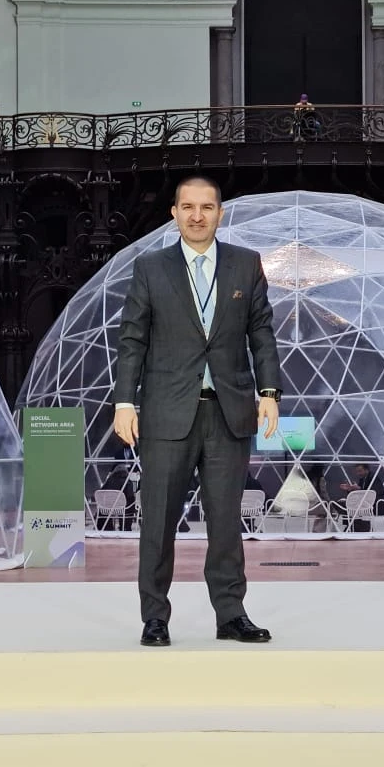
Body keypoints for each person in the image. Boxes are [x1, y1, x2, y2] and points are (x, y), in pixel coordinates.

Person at [113, 173, 282, 647]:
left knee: (226, 522)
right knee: (158, 521)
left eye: (207, 207)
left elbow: (261, 333)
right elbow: (132, 339)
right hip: (166, 413)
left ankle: (231, 615)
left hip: (228, 414)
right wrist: (124, 402)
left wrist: (269, 392)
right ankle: (154, 617)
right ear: (174, 213)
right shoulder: (151, 268)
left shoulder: (246, 264)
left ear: (220, 213)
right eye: (188, 207)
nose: (197, 216)